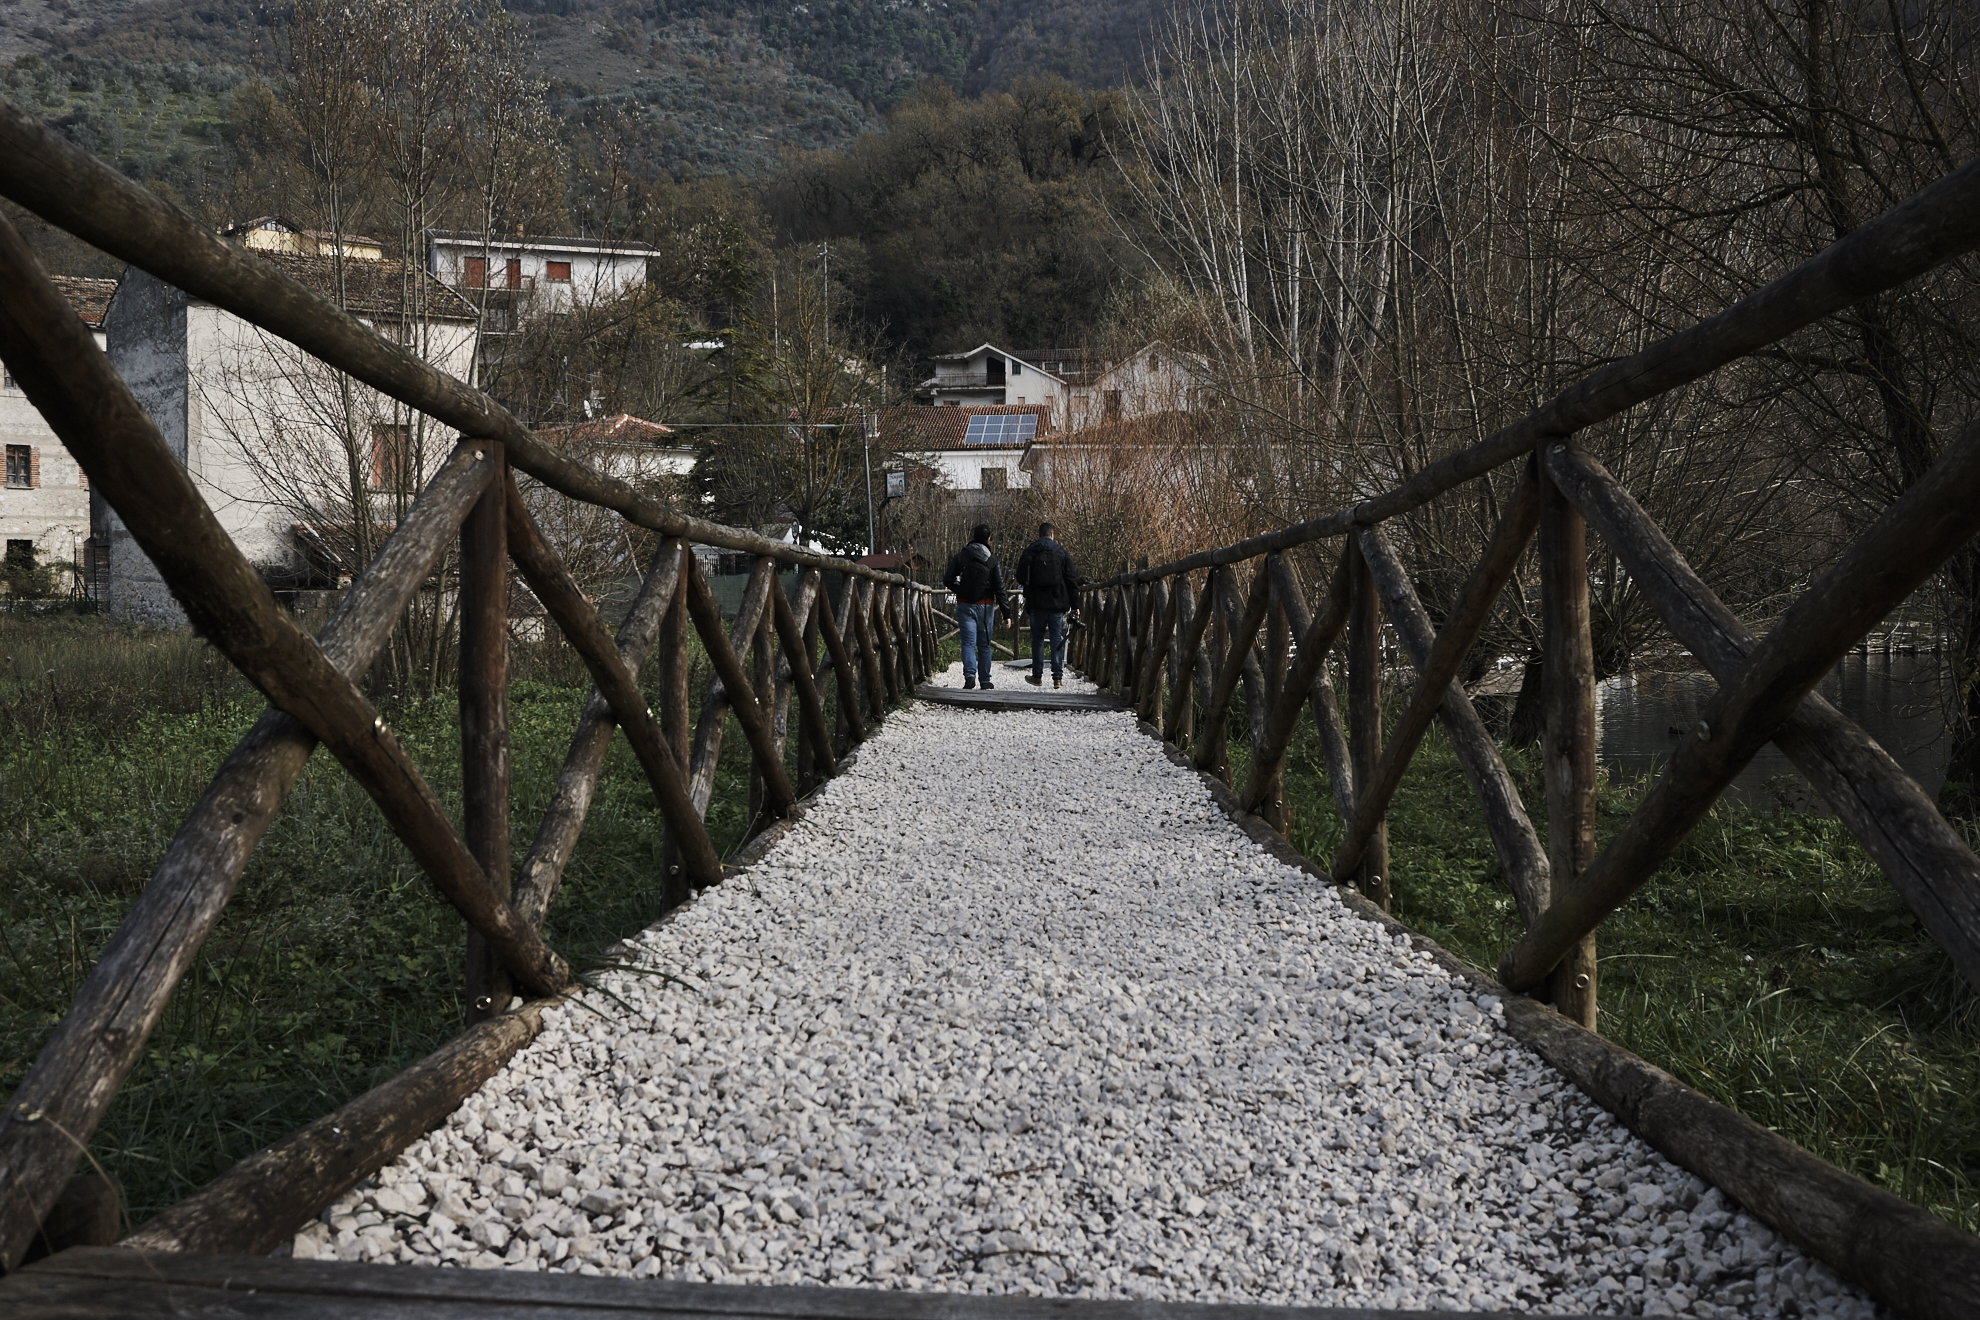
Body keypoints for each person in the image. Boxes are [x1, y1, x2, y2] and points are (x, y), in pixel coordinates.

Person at [943, 523, 1013, 689]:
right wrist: (1006, 613)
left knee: (967, 643)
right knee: (984, 644)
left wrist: (960, 591)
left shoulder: (961, 556)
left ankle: (969, 676)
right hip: (986, 606)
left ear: (972, 537)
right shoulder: (992, 559)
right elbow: (1000, 587)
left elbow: (947, 579)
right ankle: (985, 680)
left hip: (964, 604)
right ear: (989, 539)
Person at [1015, 521, 1082, 689]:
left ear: (1039, 535)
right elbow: (1071, 580)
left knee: (1037, 639)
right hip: (1057, 603)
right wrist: (1075, 605)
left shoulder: (1030, 551)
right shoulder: (1060, 552)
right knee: (1056, 640)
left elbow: (1020, 577)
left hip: (1036, 603)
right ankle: (1057, 678)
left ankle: (1037, 676)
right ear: (1053, 534)